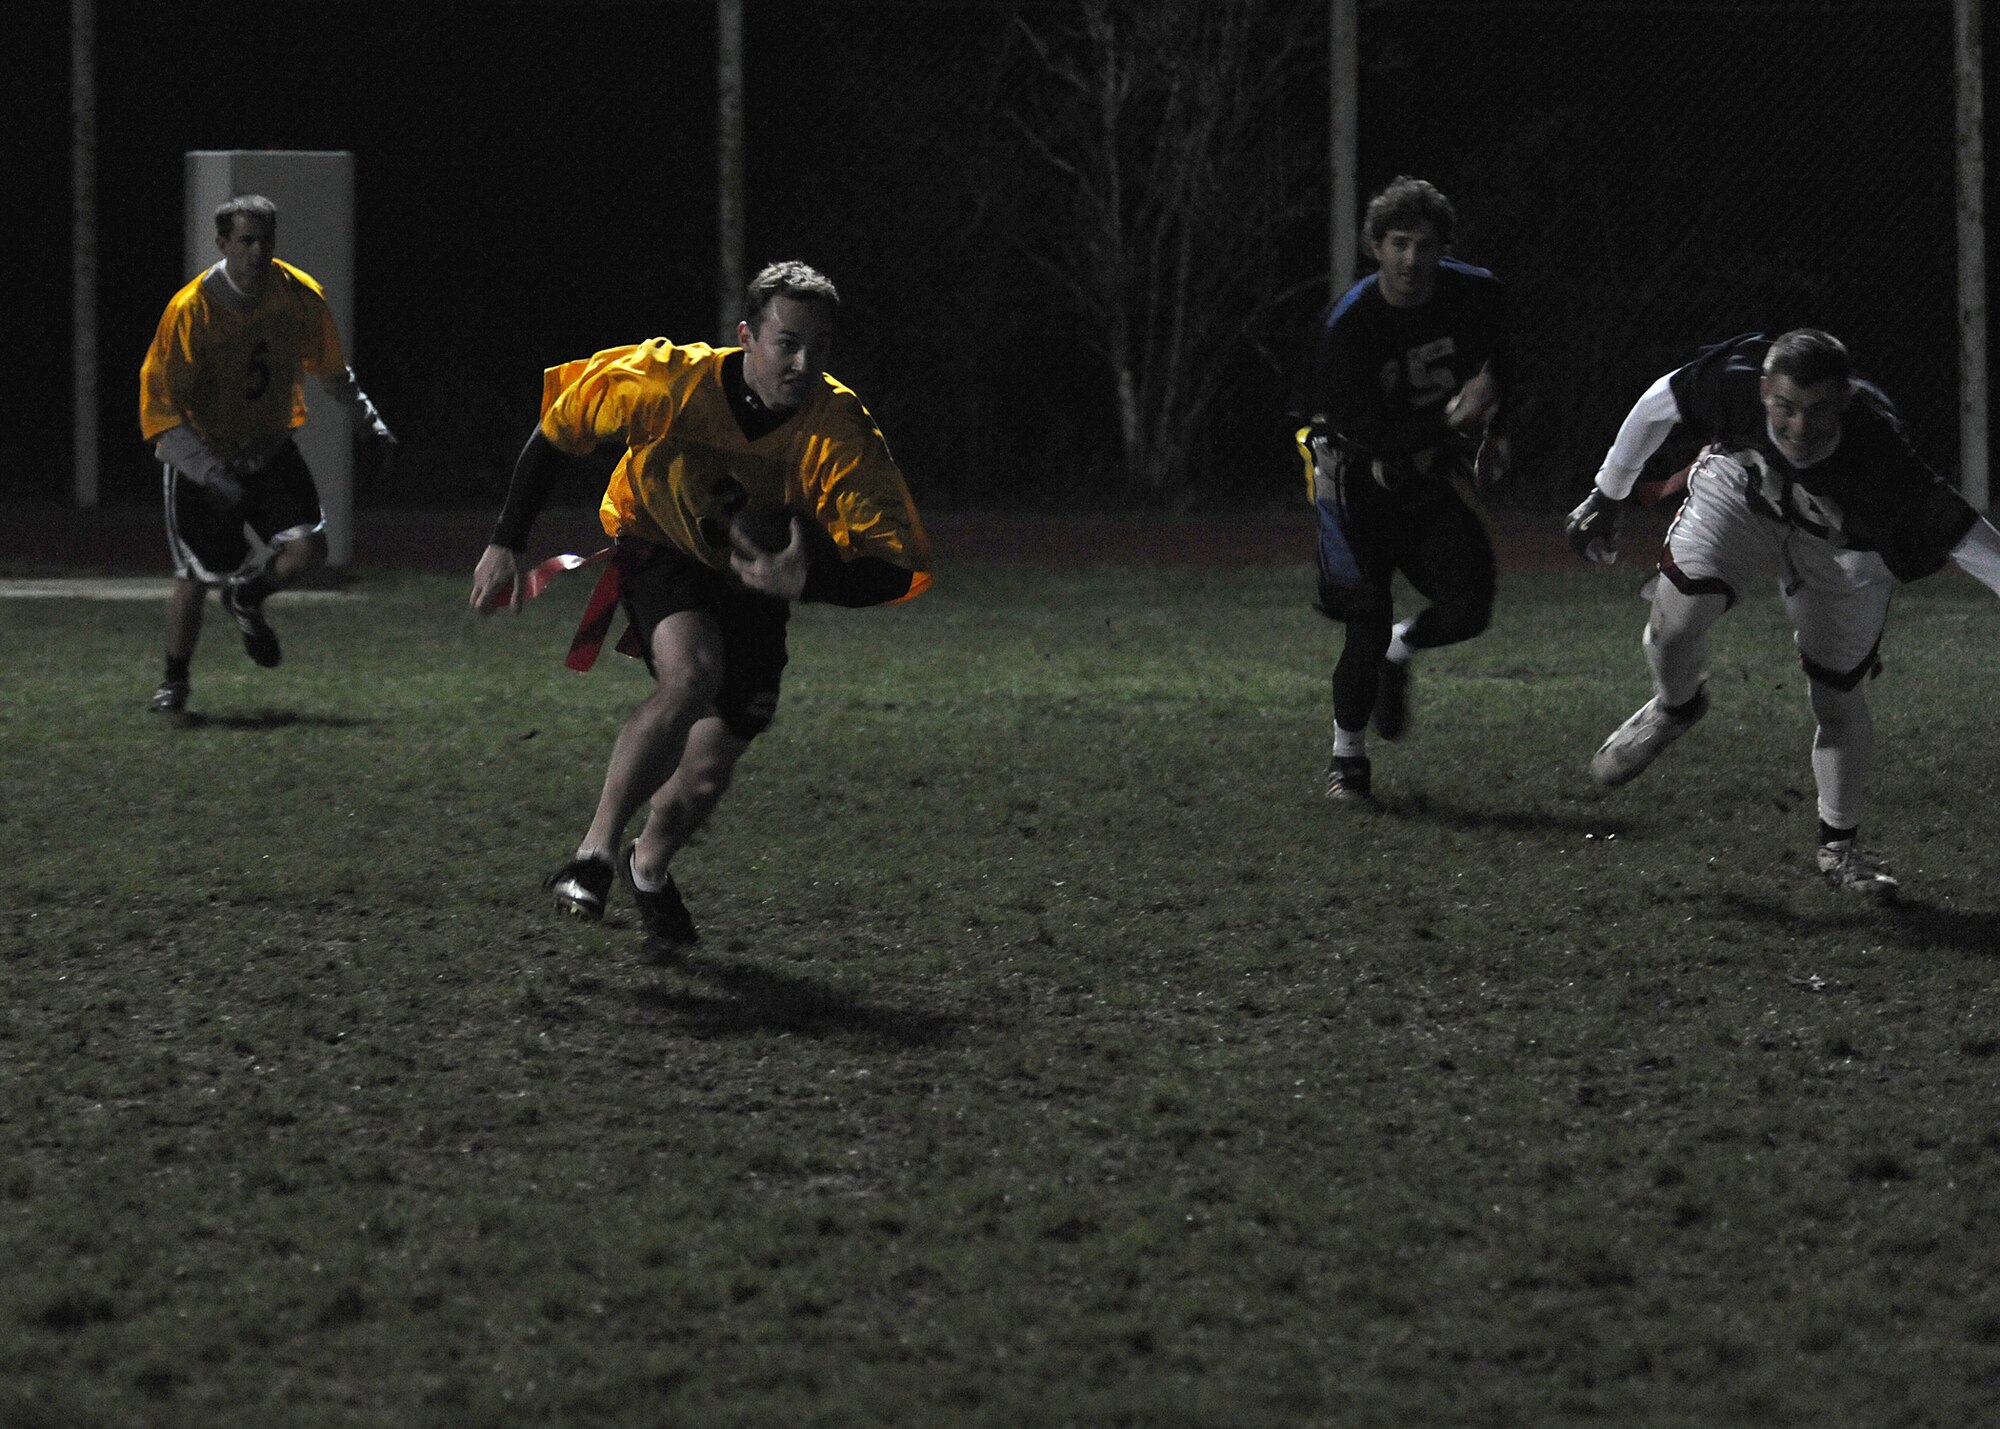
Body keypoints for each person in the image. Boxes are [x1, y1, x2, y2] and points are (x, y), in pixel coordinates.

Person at [468, 261, 932, 949]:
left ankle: (647, 867)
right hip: (661, 542)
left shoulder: (839, 428)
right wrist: (507, 540)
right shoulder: (670, 382)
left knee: (707, 774)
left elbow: (898, 567)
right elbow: (561, 426)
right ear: (746, 337)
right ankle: (593, 855)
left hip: (755, 586)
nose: (804, 364)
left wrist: (806, 580)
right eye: (787, 343)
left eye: (820, 346)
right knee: (692, 674)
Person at [1567, 328, 2000, 899]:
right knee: (1677, 621)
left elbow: (1969, 540)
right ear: (1763, 389)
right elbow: (1659, 402)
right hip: (1745, 490)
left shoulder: (1882, 459)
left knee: (1836, 696)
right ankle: (1676, 707)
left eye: (1818, 410)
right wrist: (1607, 492)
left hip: (1841, 543)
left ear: (1845, 401)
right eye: (1785, 407)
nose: (1799, 427)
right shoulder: (1735, 383)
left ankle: (1839, 849)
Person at [1296, 176, 1512, 803]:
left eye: (1425, 244)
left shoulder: (1475, 292)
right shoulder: (1349, 325)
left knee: (1469, 605)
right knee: (1364, 618)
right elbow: (1365, 431)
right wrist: (1455, 420)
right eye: (1399, 243)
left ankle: (1403, 647)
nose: (1412, 259)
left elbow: (1508, 357)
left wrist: (1498, 427)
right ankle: (1347, 761)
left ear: (1444, 248)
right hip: (1354, 478)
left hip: (1422, 475)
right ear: (1374, 247)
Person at [139, 193, 395, 712]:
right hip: (205, 455)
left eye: (265, 240)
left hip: (268, 446)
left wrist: (369, 421)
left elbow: (331, 370)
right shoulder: (191, 311)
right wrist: (208, 471)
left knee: (308, 549)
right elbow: (160, 405)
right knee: (197, 574)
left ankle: (247, 598)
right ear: (222, 243)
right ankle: (174, 680)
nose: (257, 251)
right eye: (246, 241)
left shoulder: (298, 295)